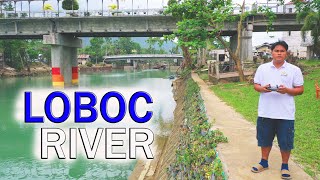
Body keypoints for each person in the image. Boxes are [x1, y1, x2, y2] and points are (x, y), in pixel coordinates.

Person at [251, 41, 304, 179]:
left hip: (285, 113)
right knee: (264, 139)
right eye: (276, 50)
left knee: (285, 141)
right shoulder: (263, 68)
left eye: (282, 51)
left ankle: (285, 166)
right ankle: (264, 162)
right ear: (271, 52)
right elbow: (256, 85)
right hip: (265, 111)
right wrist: (262, 89)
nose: (279, 53)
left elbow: (300, 89)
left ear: (286, 53)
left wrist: (287, 90)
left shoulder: (294, 70)